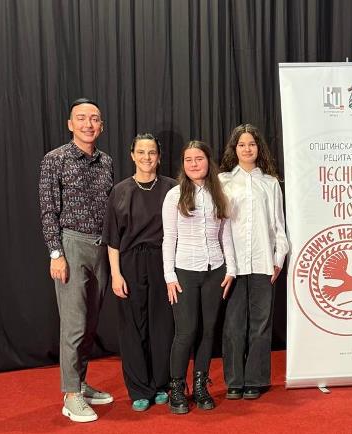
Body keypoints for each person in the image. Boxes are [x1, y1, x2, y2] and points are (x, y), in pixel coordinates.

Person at [39, 98, 114, 423]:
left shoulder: (106, 162)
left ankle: (80, 383)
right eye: (81, 118)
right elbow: (48, 209)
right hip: (71, 246)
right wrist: (56, 253)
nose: (88, 124)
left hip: (101, 248)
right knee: (74, 324)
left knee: (91, 323)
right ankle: (70, 396)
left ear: (101, 126)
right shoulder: (54, 159)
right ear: (71, 124)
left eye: (94, 118)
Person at [102, 133, 176, 412]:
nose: (147, 157)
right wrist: (116, 274)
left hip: (163, 261)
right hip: (130, 263)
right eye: (141, 152)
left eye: (152, 152)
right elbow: (112, 239)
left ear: (159, 156)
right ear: (132, 155)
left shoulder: (172, 188)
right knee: (133, 327)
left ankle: (162, 384)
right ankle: (139, 389)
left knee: (162, 325)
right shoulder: (120, 191)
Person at [162, 140, 236, 414]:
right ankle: (177, 387)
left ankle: (201, 384)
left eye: (199, 158)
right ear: (183, 165)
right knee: (186, 331)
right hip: (184, 271)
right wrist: (169, 276)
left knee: (207, 330)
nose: (194, 164)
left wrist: (231, 268)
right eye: (188, 160)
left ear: (208, 161)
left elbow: (225, 234)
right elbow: (169, 238)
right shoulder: (174, 195)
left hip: (215, 270)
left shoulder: (219, 194)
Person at [219, 124, 288, 400]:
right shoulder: (223, 181)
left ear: (259, 148)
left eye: (251, 144)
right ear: (234, 149)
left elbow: (279, 226)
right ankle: (234, 380)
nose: (247, 149)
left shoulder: (270, 183)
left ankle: (256, 380)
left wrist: (278, 259)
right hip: (233, 266)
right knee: (233, 325)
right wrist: (224, 262)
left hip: (263, 263)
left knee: (260, 324)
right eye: (241, 144)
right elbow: (219, 225)